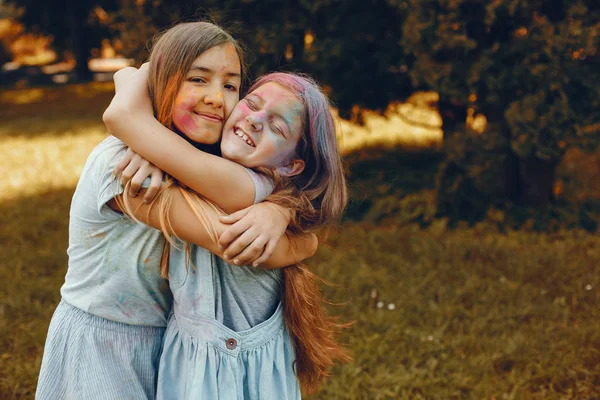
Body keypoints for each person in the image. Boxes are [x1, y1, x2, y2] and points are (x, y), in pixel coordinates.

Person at [36, 21, 314, 400]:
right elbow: (231, 241)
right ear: (163, 83)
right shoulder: (122, 169)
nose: (217, 97)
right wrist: (307, 242)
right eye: (197, 79)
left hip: (164, 343)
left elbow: (303, 199)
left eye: (230, 85)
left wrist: (279, 212)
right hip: (102, 346)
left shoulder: (201, 164)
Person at [104, 64, 351, 398]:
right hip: (194, 356)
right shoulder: (206, 161)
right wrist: (148, 149)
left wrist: (147, 143)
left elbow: (126, 102)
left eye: (277, 125)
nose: (254, 118)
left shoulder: (248, 185)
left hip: (241, 368)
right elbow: (131, 73)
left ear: (290, 166)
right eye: (251, 102)